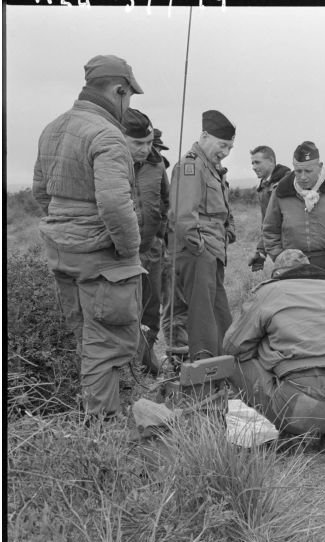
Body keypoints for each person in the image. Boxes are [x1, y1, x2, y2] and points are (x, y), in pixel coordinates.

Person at [32, 54, 144, 418]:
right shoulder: (107, 134)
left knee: (86, 339)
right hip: (102, 258)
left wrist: (67, 227)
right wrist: (129, 250)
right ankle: (104, 431)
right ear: (119, 90)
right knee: (105, 346)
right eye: (129, 96)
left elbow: (40, 193)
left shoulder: (52, 128)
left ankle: (101, 419)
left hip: (62, 252)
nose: (128, 104)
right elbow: (114, 203)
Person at [223, 249, 325, 454]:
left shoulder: (268, 292)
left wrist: (266, 349)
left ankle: (290, 431)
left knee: (235, 361)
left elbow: (233, 346)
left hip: (294, 407)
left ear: (277, 274)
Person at [166, 110, 236, 361]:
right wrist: (201, 248)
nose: (225, 152)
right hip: (198, 252)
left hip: (213, 251)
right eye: (222, 145)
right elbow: (183, 216)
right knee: (203, 319)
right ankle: (205, 374)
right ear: (205, 136)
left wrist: (228, 233)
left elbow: (221, 211)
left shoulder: (213, 169)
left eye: (229, 147)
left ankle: (225, 367)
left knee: (218, 314)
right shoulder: (191, 166)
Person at [262, 141, 325, 284]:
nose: (302, 177)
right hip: (292, 264)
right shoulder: (281, 191)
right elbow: (270, 229)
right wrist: (279, 257)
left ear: (319, 167)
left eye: (308, 171)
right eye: (298, 171)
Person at [122, 109, 170, 376]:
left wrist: (160, 235)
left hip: (151, 250)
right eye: (138, 143)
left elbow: (165, 201)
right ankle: (126, 369)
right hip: (120, 254)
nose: (145, 149)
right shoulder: (110, 161)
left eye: (149, 143)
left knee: (151, 311)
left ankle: (144, 361)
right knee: (125, 312)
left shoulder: (157, 164)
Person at [247, 146, 290, 272]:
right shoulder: (264, 187)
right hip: (278, 249)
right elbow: (268, 223)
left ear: (271, 161)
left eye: (257, 162)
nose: (254, 167)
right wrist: (261, 252)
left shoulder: (287, 182)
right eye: (252, 163)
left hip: (292, 249)